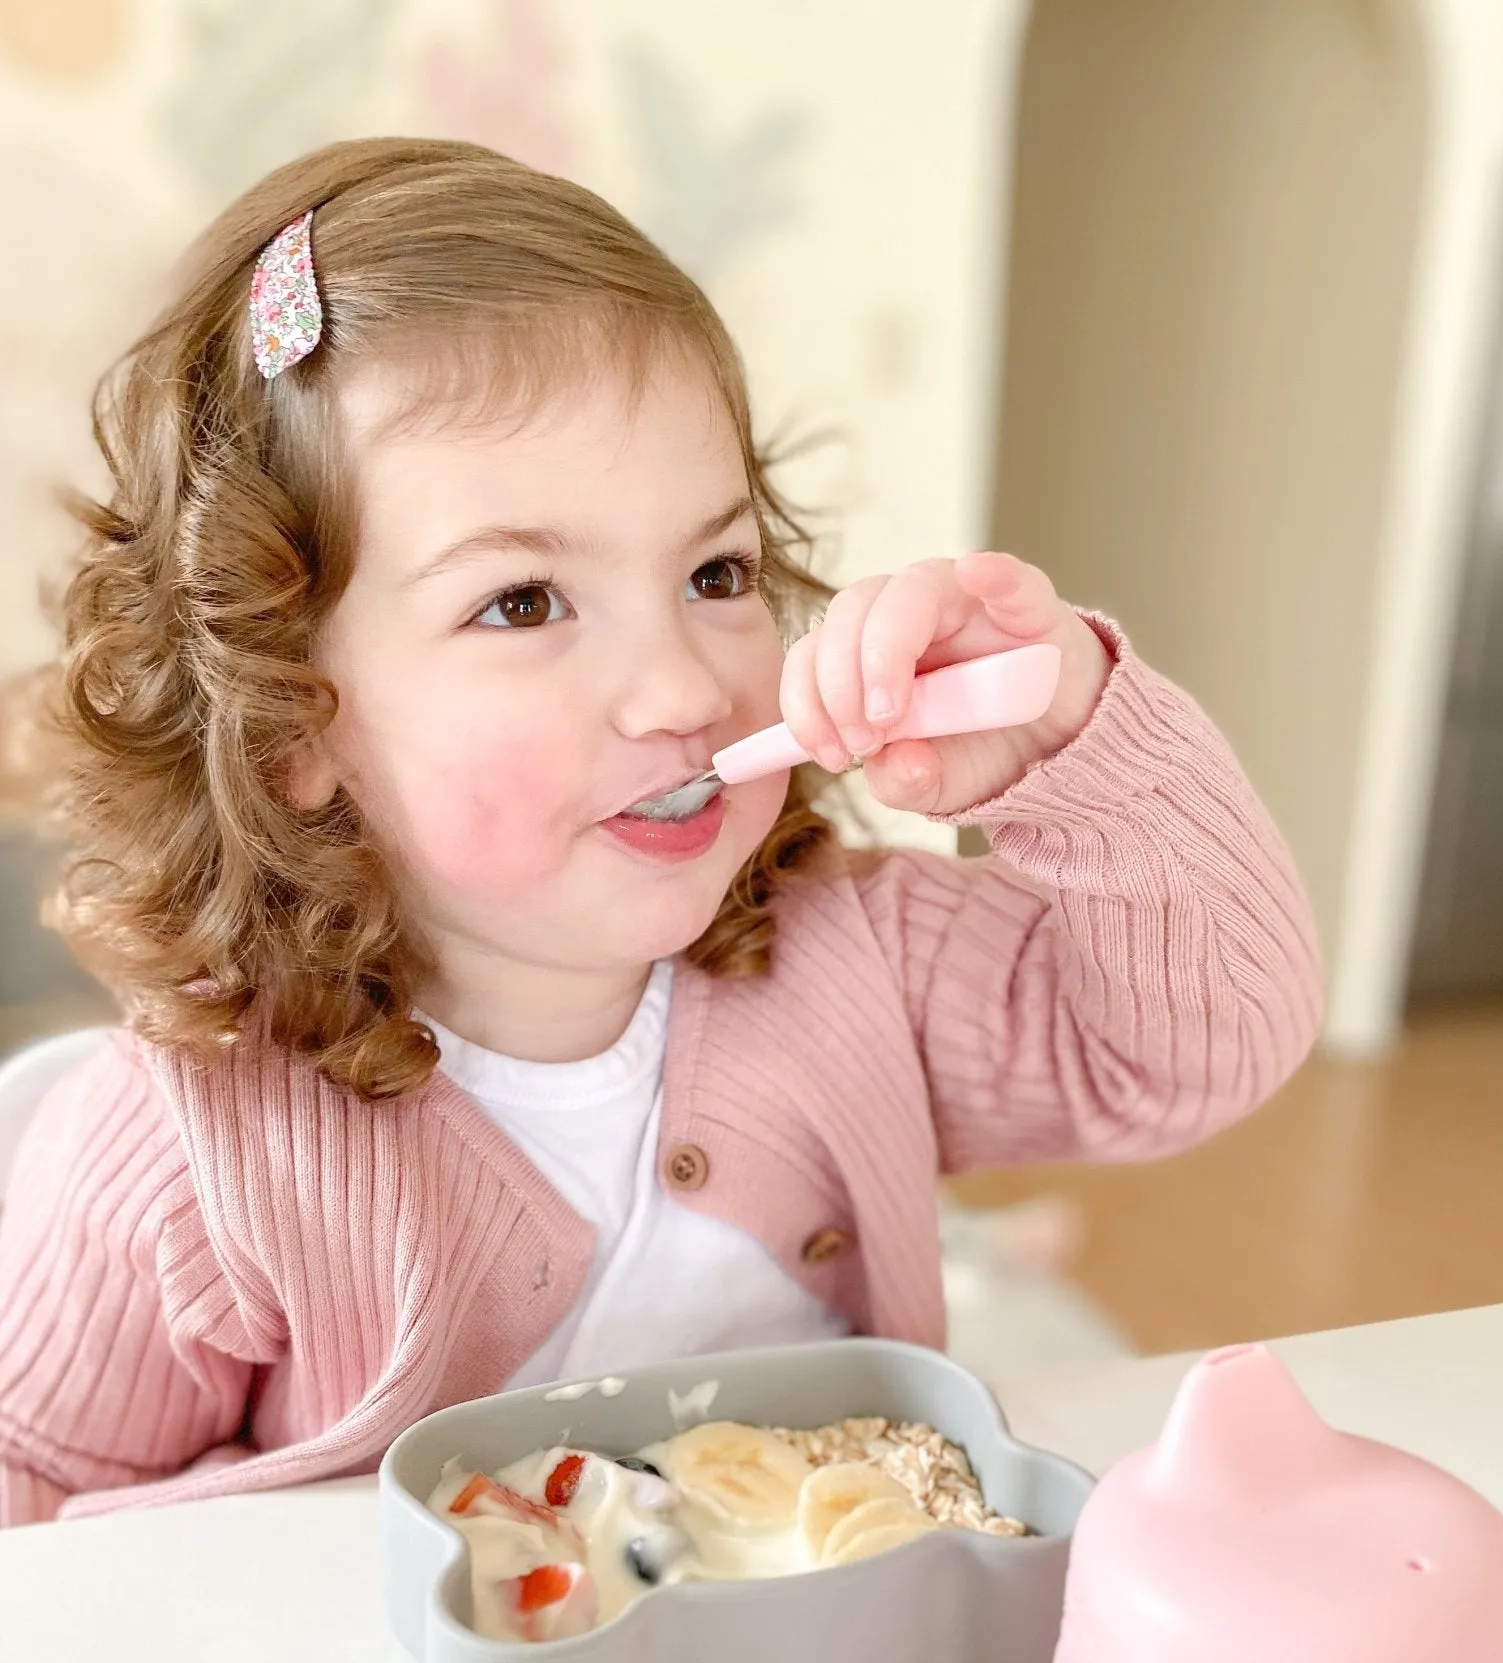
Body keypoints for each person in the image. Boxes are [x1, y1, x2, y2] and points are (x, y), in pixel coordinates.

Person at [0, 138, 1322, 1529]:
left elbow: (1204, 1048)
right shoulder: (184, 1158)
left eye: (716, 572)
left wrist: (1072, 741)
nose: (687, 689)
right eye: (523, 603)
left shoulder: (860, 961)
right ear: (291, 725)